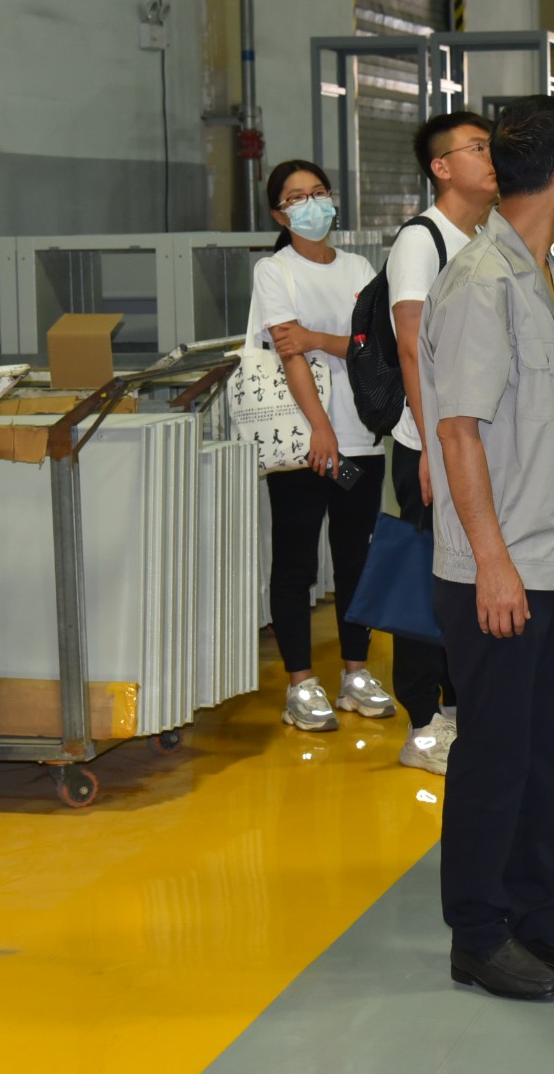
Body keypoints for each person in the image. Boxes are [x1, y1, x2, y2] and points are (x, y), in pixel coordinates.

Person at [420, 96, 554, 1001]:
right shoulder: (482, 283)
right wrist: (492, 562)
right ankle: (478, 933)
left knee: (548, 759)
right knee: (496, 760)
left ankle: (537, 918)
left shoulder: (549, 276)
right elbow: (457, 431)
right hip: (498, 571)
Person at [248, 159, 397, 732]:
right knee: (297, 562)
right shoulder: (274, 271)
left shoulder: (358, 267)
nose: (311, 205)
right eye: (296, 198)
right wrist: (321, 427)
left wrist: (317, 337)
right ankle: (300, 683)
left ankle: (355, 674)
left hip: (360, 441)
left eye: (318, 193)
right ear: (278, 214)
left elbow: (373, 345)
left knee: (356, 558)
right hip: (305, 444)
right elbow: (289, 354)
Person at [387, 111, 495, 774]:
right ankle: (422, 723)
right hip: (432, 442)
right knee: (427, 580)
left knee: (465, 577)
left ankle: (457, 710)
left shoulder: (487, 236)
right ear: (441, 167)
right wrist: (432, 445)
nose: (491, 157)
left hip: (473, 441)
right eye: (477, 147)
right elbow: (411, 345)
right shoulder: (421, 240)